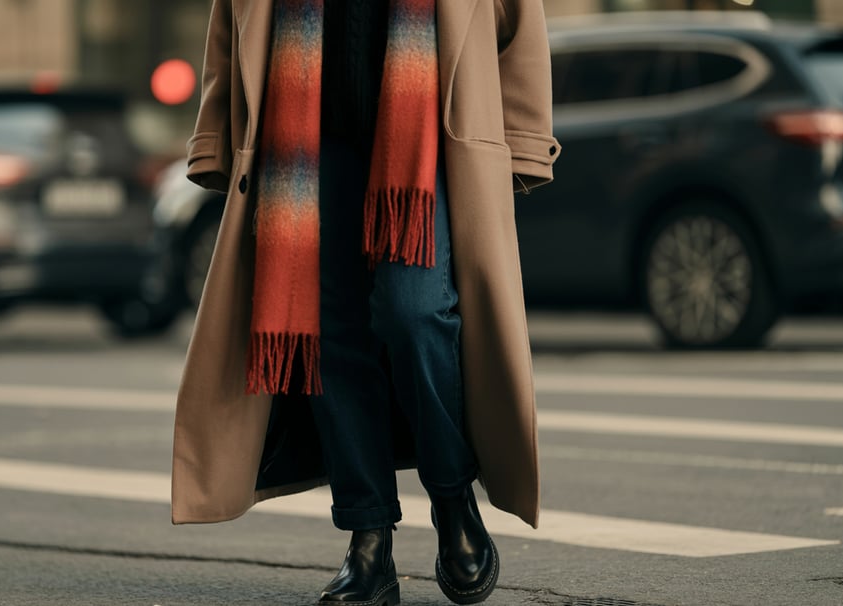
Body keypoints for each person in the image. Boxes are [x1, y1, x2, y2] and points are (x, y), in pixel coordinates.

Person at [171, 1, 559, 604]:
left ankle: (451, 492)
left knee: (413, 310)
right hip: (307, 136)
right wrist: (216, 137)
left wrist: (526, 137)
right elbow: (231, 19)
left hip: (429, 130)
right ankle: (368, 539)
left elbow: (518, 22)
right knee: (330, 334)